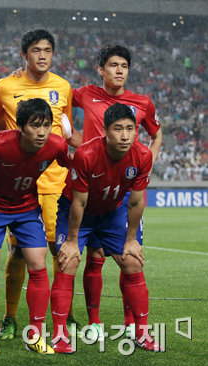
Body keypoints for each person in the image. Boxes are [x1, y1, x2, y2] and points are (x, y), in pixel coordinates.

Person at [0, 28, 81, 340]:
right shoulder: (5, 86)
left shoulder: (63, 86)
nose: (42, 56)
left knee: (57, 251)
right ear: (24, 55)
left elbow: (64, 131)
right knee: (16, 253)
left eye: (47, 51)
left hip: (55, 181)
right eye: (36, 51)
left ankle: (61, 316)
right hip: (18, 186)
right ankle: (10, 318)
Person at [50, 103, 158, 353]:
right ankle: (59, 335)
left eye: (130, 129)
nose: (124, 135)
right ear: (104, 131)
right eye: (118, 129)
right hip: (77, 211)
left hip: (112, 211)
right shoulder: (86, 155)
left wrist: (131, 239)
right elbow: (79, 201)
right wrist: (72, 240)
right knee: (70, 261)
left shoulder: (143, 155)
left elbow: (136, 200)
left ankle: (142, 333)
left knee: (131, 261)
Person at [72, 44, 162, 340]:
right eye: (113, 65)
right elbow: (56, 98)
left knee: (129, 255)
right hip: (92, 185)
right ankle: (95, 321)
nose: (119, 70)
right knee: (94, 257)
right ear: (101, 70)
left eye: (124, 65)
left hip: (125, 189)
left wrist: (145, 163)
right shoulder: (85, 94)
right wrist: (73, 141)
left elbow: (155, 133)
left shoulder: (142, 103)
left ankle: (131, 322)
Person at [0, 98, 70, 355]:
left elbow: (72, 166)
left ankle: (35, 335)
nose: (41, 132)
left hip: (26, 208)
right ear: (21, 126)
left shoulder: (57, 145)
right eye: (35, 126)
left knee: (39, 265)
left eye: (47, 126)